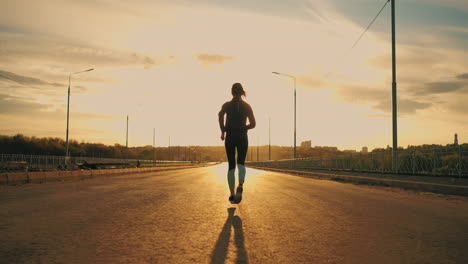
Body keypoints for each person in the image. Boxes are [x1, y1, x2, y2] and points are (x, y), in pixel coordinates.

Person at [218, 83, 256, 204]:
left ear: (231, 92)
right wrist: (243, 128)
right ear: (242, 92)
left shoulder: (227, 105)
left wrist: (223, 131)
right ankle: (240, 184)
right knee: (241, 163)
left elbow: (220, 115)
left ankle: (232, 194)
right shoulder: (247, 106)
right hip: (242, 137)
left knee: (231, 165)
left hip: (230, 137)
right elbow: (253, 124)